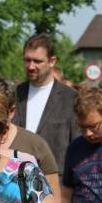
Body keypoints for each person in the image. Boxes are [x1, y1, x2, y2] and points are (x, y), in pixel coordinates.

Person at [12, 33, 79, 173]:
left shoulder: (70, 98)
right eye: (27, 60)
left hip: (54, 180)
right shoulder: (14, 94)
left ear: (52, 61)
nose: (30, 66)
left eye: (37, 61)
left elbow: (77, 144)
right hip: (15, 178)